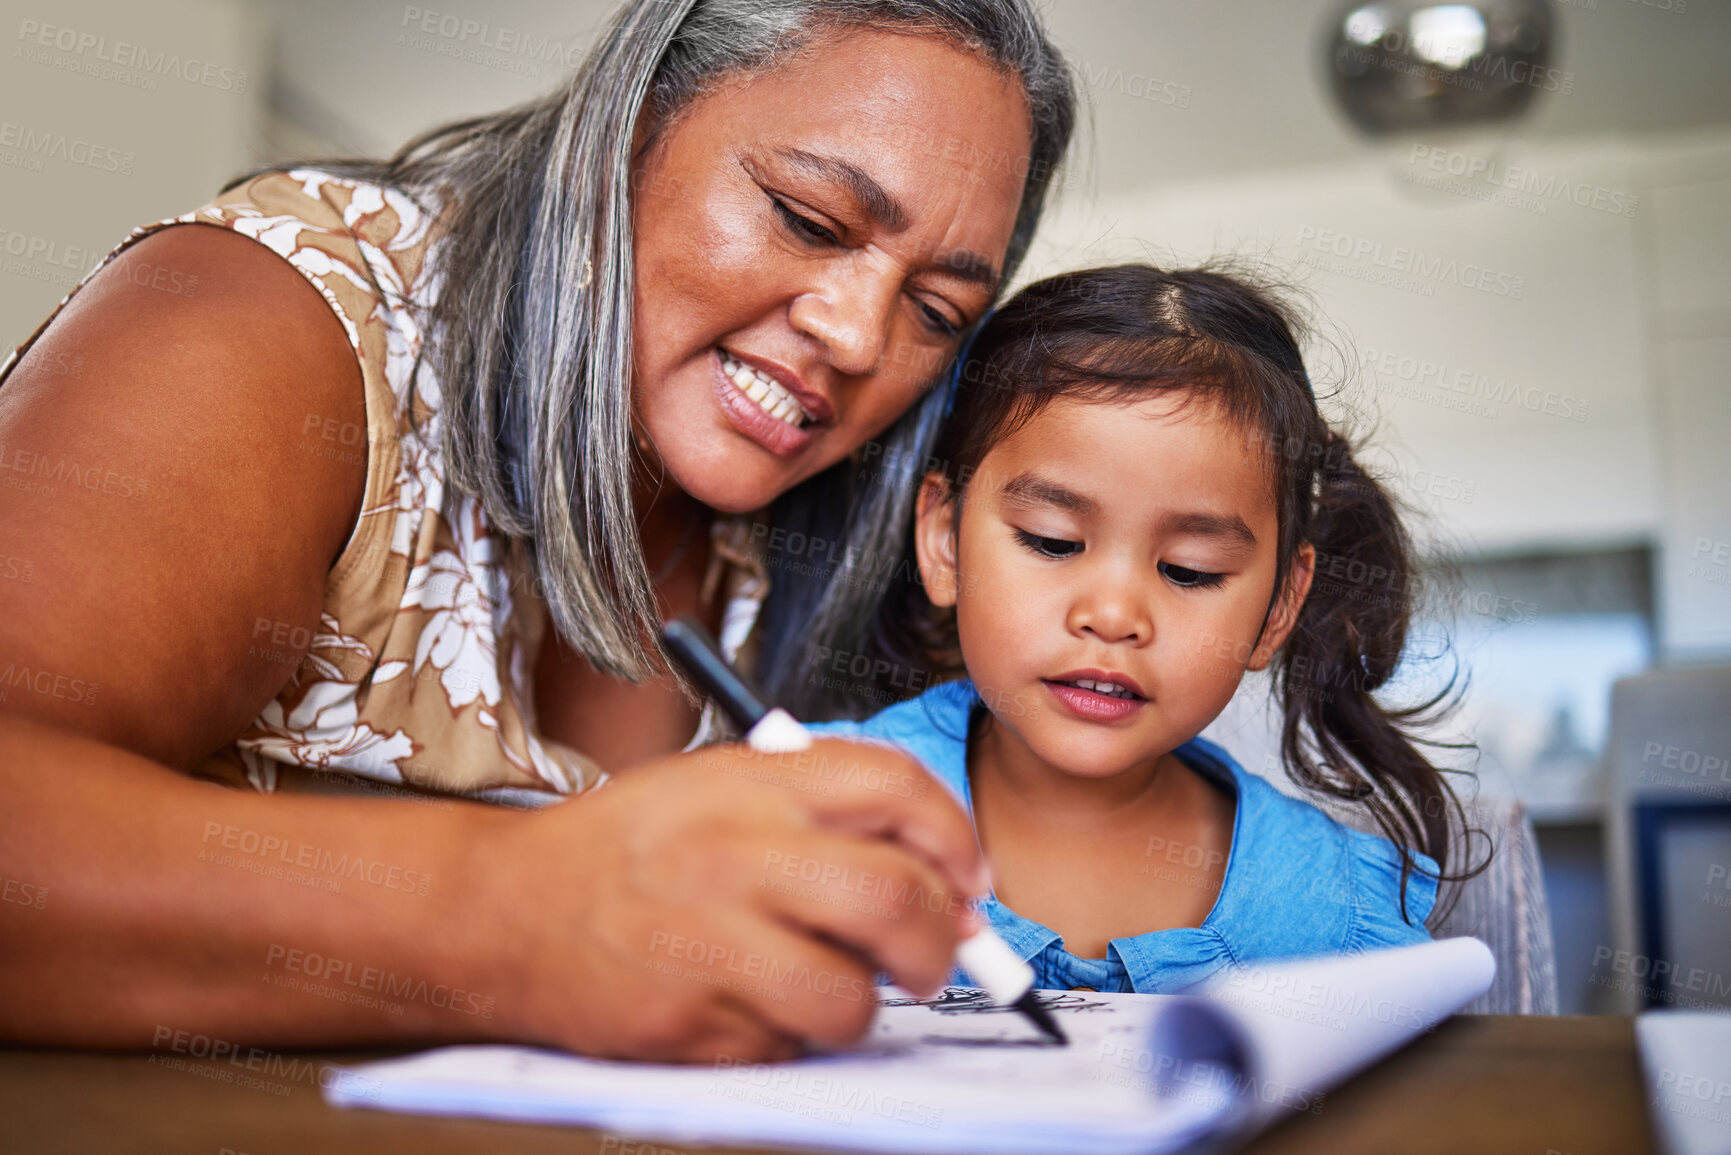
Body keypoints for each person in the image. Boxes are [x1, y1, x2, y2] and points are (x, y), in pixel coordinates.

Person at [0, 0, 1076, 1060]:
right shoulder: (285, 322)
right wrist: (506, 914)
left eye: (936, 312)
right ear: (626, 129)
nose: (855, 337)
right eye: (806, 219)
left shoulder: (855, 523)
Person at [809, 264, 1476, 991]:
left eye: (1189, 571)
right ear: (944, 540)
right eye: (1052, 540)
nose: (1114, 617)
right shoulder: (801, 813)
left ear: (1277, 607)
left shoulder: (1341, 920)